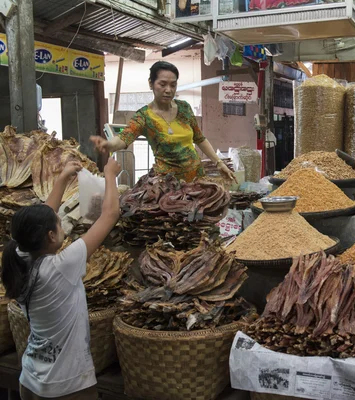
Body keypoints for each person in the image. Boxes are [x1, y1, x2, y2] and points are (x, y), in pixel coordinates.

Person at [1, 158, 122, 400]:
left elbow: (43, 214)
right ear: (49, 235)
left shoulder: (19, 254)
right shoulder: (61, 266)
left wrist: (63, 178)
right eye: (58, 223)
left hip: (31, 378)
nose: (60, 222)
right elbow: (110, 215)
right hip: (66, 386)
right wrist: (110, 175)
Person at [90, 61, 235, 183]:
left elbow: (199, 139)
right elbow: (124, 138)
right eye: (163, 84)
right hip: (167, 184)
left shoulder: (184, 108)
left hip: (196, 178)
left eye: (173, 85)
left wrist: (219, 163)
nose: (168, 90)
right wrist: (108, 145)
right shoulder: (144, 116)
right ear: (151, 84)